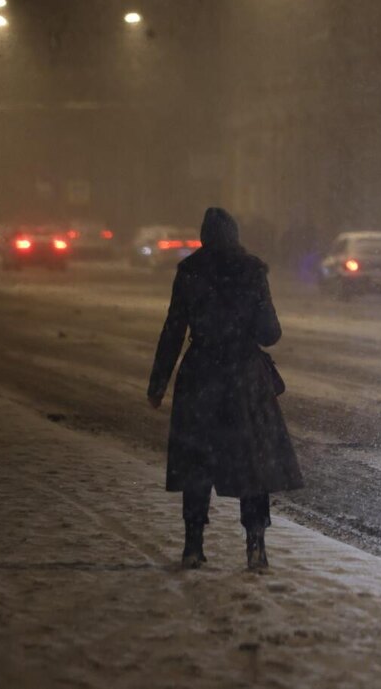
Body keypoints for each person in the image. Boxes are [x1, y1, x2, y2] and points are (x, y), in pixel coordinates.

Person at [148, 207, 303, 570]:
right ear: (235, 235)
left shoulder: (189, 271)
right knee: (252, 462)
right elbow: (271, 333)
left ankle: (193, 545)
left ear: (203, 237)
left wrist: (158, 384)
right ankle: (256, 545)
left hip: (200, 376)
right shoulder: (251, 270)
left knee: (196, 460)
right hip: (243, 379)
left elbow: (173, 330)